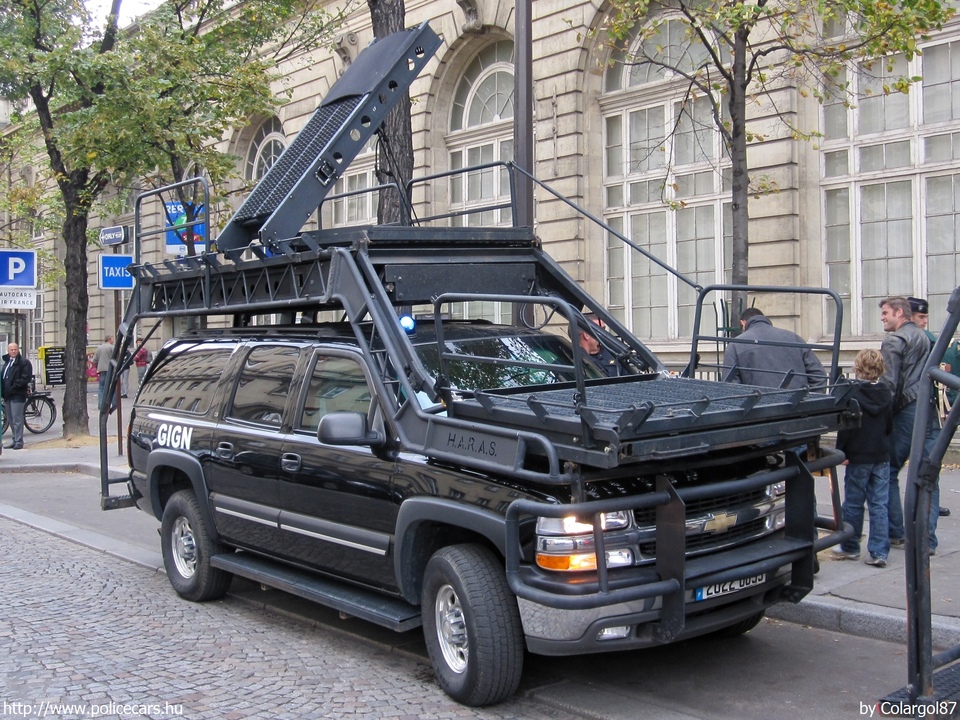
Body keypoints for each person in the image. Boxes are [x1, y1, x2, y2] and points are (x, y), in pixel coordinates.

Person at [878, 296, 941, 554]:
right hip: (929, 408)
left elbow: (889, 385)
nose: (882, 317)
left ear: (899, 313)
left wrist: (882, 420)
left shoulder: (894, 340)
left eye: (885, 313)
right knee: (928, 476)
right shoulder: (924, 337)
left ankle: (897, 534)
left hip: (906, 410)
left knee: (889, 470)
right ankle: (927, 541)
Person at [832, 349, 894, 567]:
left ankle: (850, 546)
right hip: (881, 453)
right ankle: (879, 552)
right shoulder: (887, 392)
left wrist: (842, 452)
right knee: (879, 504)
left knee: (854, 502)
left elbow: (846, 428)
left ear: (857, 368)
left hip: (858, 455)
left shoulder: (852, 394)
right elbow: (889, 426)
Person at [722, 307, 827, 390]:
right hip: (797, 410)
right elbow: (819, 375)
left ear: (743, 323)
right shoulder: (794, 338)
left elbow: (731, 388)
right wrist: (809, 403)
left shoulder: (736, 345)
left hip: (758, 411)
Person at [2, 342, 33, 450]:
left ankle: (19, 441)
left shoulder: (24, 362)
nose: (13, 351)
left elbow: (25, 378)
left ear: (18, 350)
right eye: (11, 350)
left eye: (15, 349)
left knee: (17, 418)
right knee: (10, 419)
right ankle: (14, 439)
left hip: (17, 395)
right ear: (8, 350)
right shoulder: (7, 362)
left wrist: (13, 387)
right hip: (7, 395)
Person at [94, 335, 114, 406]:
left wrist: (98, 367)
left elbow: (95, 360)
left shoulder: (99, 348)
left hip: (101, 369)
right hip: (110, 369)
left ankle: (100, 404)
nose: (113, 340)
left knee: (102, 387)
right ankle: (112, 403)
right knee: (112, 386)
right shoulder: (112, 347)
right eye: (112, 339)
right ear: (109, 339)